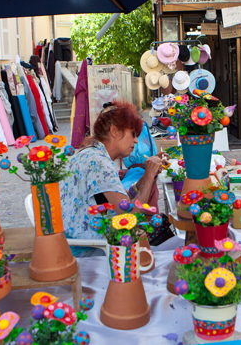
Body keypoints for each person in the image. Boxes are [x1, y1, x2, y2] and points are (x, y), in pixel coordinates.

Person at [60, 100, 164, 256]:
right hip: (88, 251)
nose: (136, 140)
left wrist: (148, 175)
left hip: (74, 246)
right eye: (133, 134)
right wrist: (148, 176)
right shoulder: (99, 162)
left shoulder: (90, 153)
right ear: (115, 131)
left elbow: (120, 202)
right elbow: (130, 221)